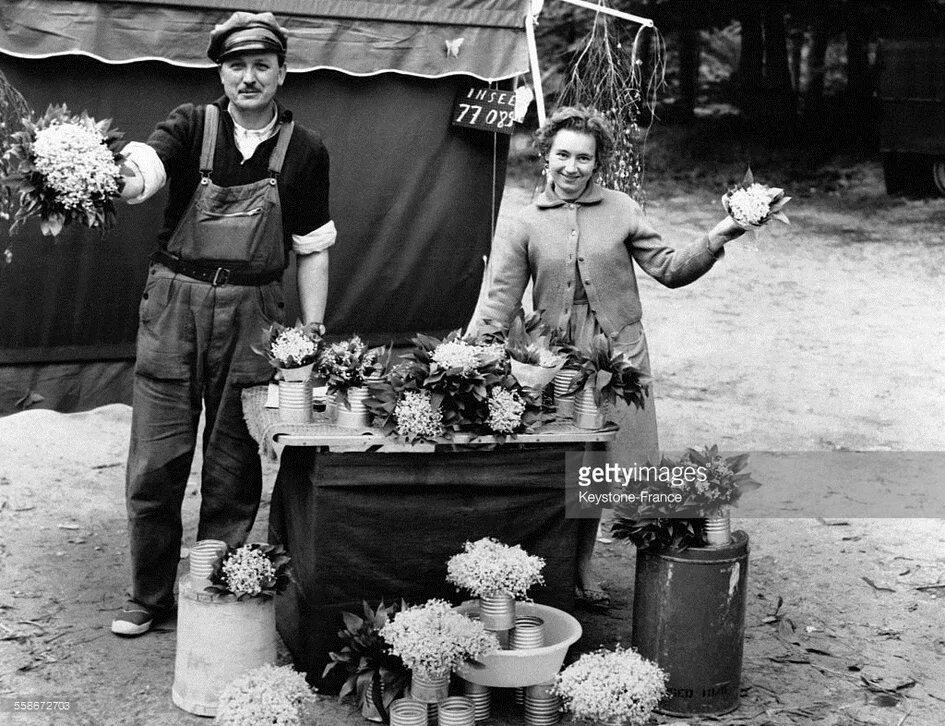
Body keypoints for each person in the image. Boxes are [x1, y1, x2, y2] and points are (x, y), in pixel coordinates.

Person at [110, 11, 336, 636]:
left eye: (262, 64)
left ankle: (217, 588)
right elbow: (144, 172)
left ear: (282, 72)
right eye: (236, 65)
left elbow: (313, 247)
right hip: (175, 305)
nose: (249, 76)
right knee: (156, 459)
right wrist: (115, 176)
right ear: (221, 71)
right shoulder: (191, 125)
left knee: (234, 462)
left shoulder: (306, 150)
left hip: (254, 313)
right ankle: (149, 596)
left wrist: (311, 335)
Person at [470, 105, 745, 608]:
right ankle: (576, 572)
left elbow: (670, 269)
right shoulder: (524, 223)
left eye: (584, 158)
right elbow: (500, 300)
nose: (571, 168)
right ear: (545, 156)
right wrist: (467, 356)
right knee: (573, 465)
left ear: (598, 164)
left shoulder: (621, 209)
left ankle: (663, 581)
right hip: (558, 359)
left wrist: (717, 236)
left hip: (622, 352)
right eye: (562, 156)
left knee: (630, 467)